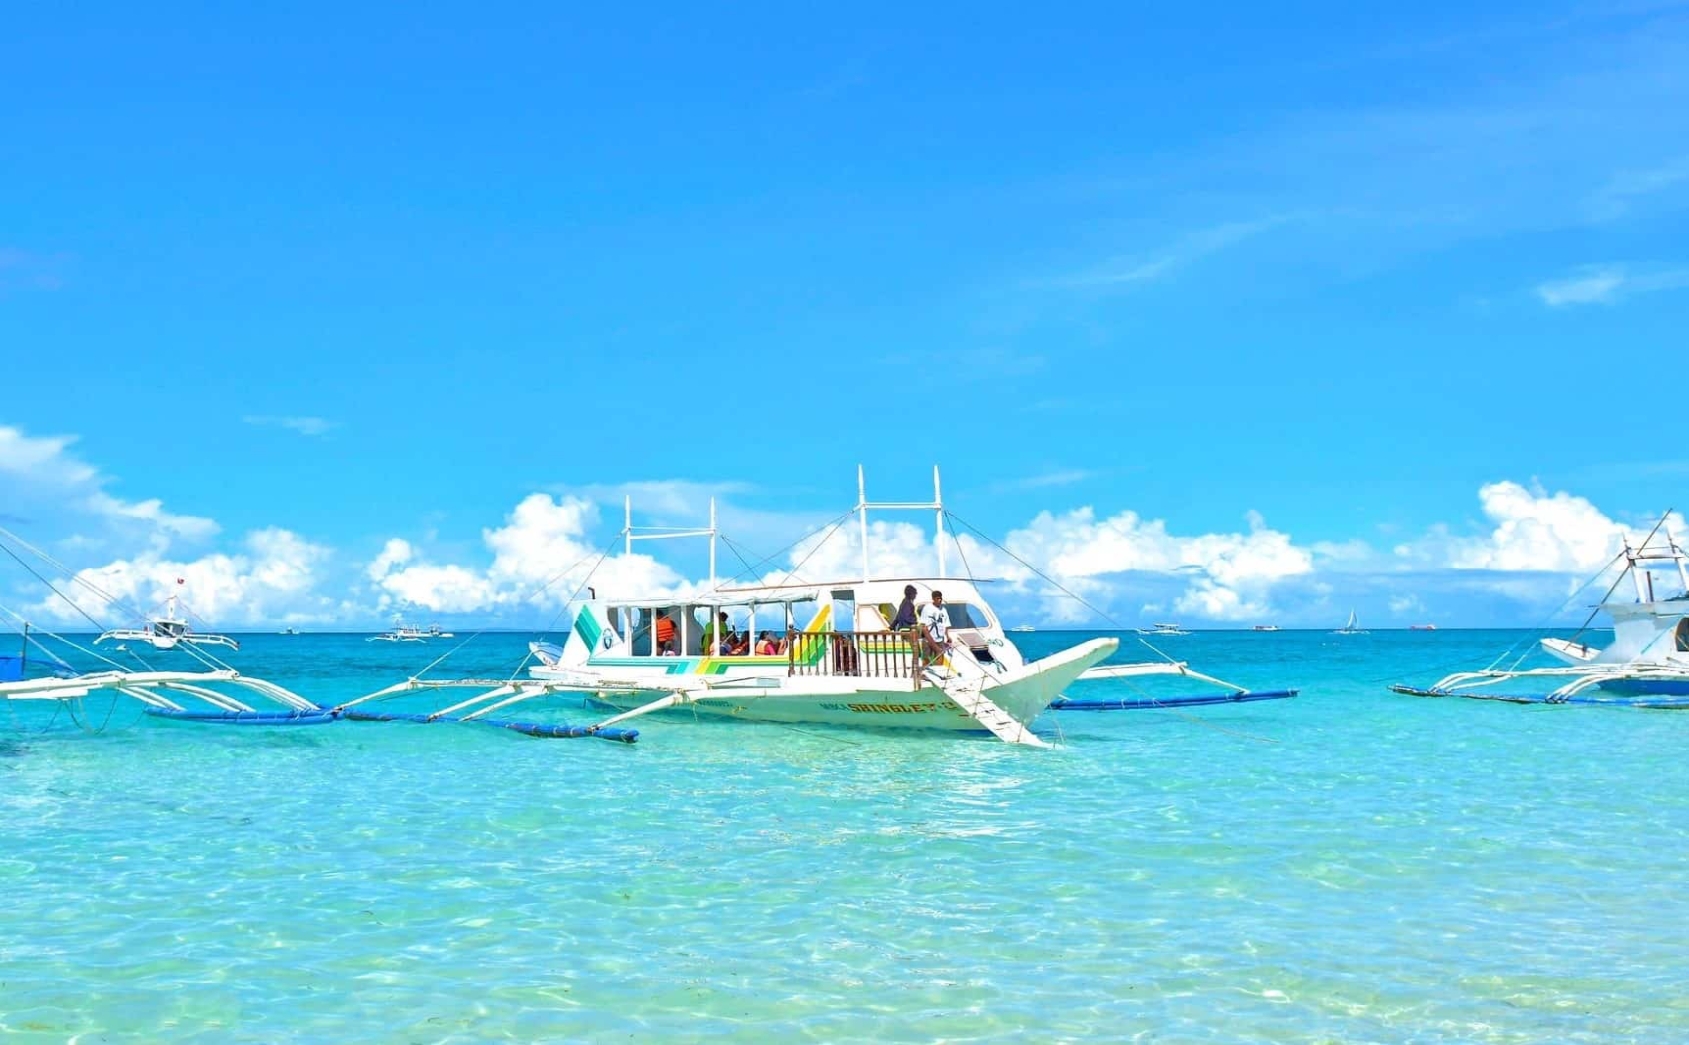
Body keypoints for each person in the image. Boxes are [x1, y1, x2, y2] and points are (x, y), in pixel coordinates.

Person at [918, 589, 951, 662]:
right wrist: (931, 641)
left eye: (940, 598)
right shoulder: (927, 608)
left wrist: (948, 636)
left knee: (940, 660)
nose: (939, 600)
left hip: (940, 639)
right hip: (928, 640)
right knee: (926, 661)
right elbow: (923, 627)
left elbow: (946, 624)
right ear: (933, 599)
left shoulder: (943, 610)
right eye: (937, 598)